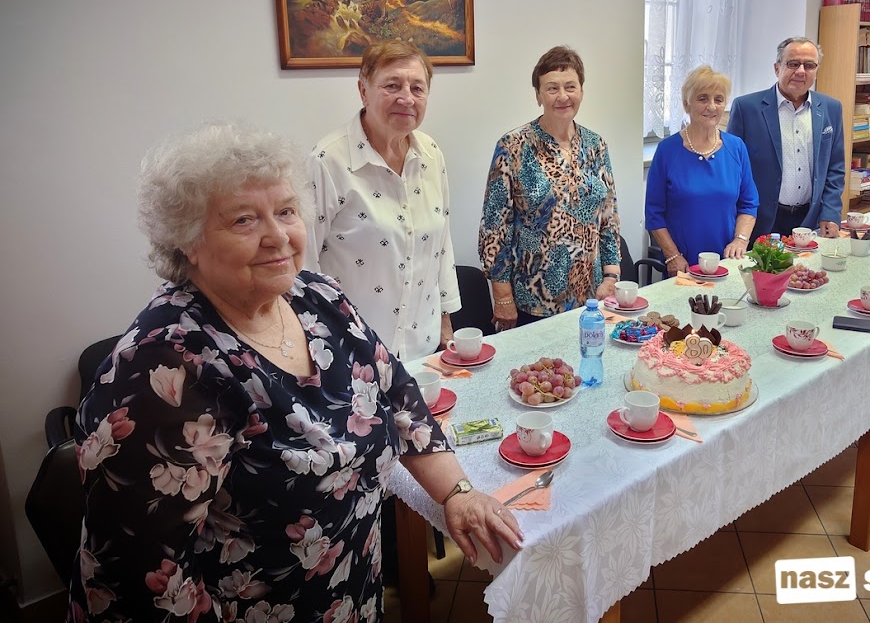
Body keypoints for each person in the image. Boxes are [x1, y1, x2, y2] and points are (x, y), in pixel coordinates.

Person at [69, 124, 520, 622]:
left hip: (352, 594)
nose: (278, 236)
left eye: (286, 211)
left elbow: (396, 394)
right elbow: (140, 582)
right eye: (244, 220)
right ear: (188, 241)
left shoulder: (315, 296)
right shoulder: (162, 372)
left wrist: (457, 492)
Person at [308, 40, 461, 361]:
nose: (406, 98)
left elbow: (441, 243)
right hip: (352, 353)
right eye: (392, 85)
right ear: (363, 90)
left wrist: (445, 323)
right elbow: (304, 266)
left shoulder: (430, 153)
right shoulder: (328, 161)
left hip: (423, 346)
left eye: (417, 88)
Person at [480, 45, 621, 330]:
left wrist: (611, 276)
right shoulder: (513, 146)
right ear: (538, 95)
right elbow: (494, 228)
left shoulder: (596, 145)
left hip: (591, 297)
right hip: (533, 301)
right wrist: (502, 297)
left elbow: (609, 217)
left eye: (570, 86)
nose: (563, 96)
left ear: (581, 91)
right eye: (552, 88)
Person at [726, 36, 845, 239]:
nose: (801, 71)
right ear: (777, 68)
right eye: (793, 64)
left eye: (809, 65)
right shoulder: (746, 108)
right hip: (760, 221)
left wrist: (830, 212)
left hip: (810, 220)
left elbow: (835, 168)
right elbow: (732, 169)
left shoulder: (831, 108)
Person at [645, 66, 759, 272]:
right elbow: (654, 213)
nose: (712, 106)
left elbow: (749, 203)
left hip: (727, 260)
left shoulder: (736, 147)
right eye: (703, 98)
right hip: (683, 264)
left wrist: (740, 240)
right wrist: (672, 256)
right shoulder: (667, 150)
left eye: (719, 99)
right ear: (686, 104)